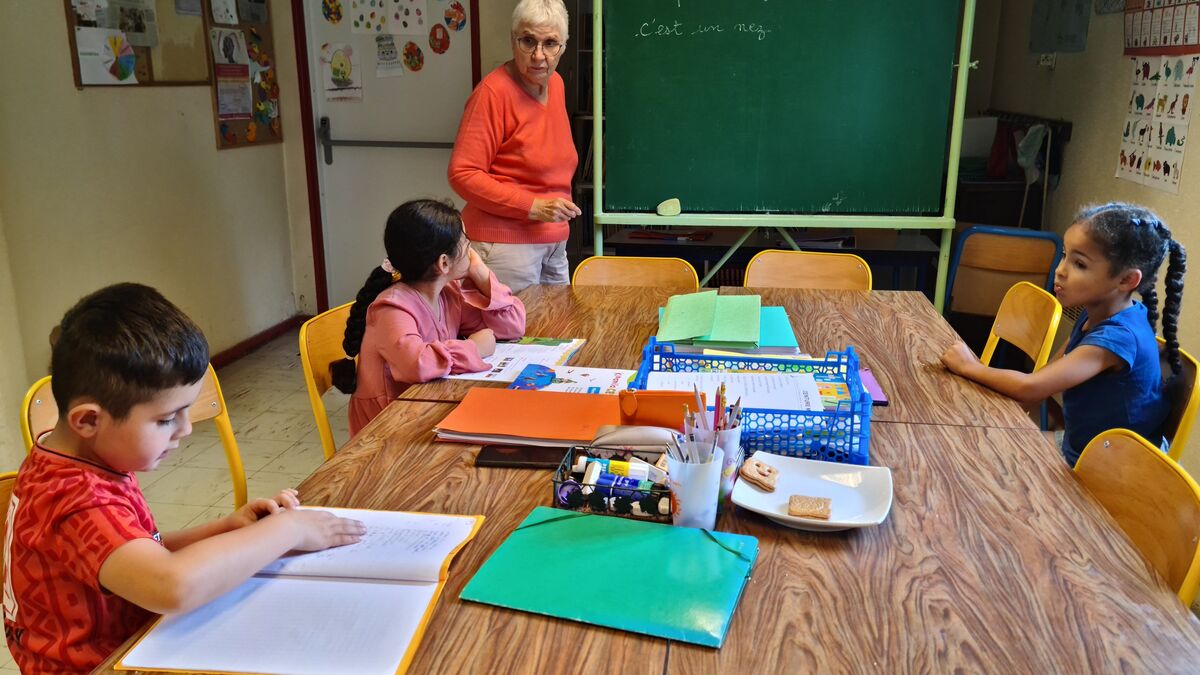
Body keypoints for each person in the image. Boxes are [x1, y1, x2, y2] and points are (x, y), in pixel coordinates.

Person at [3, 283, 365, 673]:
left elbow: (136, 550)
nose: (185, 430)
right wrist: (288, 531)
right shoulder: (75, 499)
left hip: (133, 643)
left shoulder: (68, 457)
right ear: (89, 420)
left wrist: (226, 529)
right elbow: (172, 586)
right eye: (165, 419)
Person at [941, 203, 1187, 466]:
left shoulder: (1117, 338)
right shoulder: (1097, 313)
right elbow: (1043, 378)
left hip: (1114, 472)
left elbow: (1031, 389)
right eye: (1064, 255)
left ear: (1126, 281)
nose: (1060, 270)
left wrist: (969, 367)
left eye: (1079, 263)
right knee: (979, 451)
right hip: (1082, 446)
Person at [331, 199, 526, 436]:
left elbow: (512, 326)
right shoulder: (392, 307)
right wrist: (473, 347)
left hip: (427, 409)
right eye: (466, 244)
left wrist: (482, 274)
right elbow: (417, 364)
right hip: (386, 428)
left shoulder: (447, 294)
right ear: (444, 262)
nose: (472, 253)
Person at [448, 0, 581, 292]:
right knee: (513, 336)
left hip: (553, 241)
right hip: (504, 246)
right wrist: (532, 207)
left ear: (564, 46)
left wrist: (547, 216)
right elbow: (462, 174)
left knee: (559, 331)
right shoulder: (492, 94)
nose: (538, 55)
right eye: (528, 41)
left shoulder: (555, 84)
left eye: (550, 44)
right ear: (513, 40)